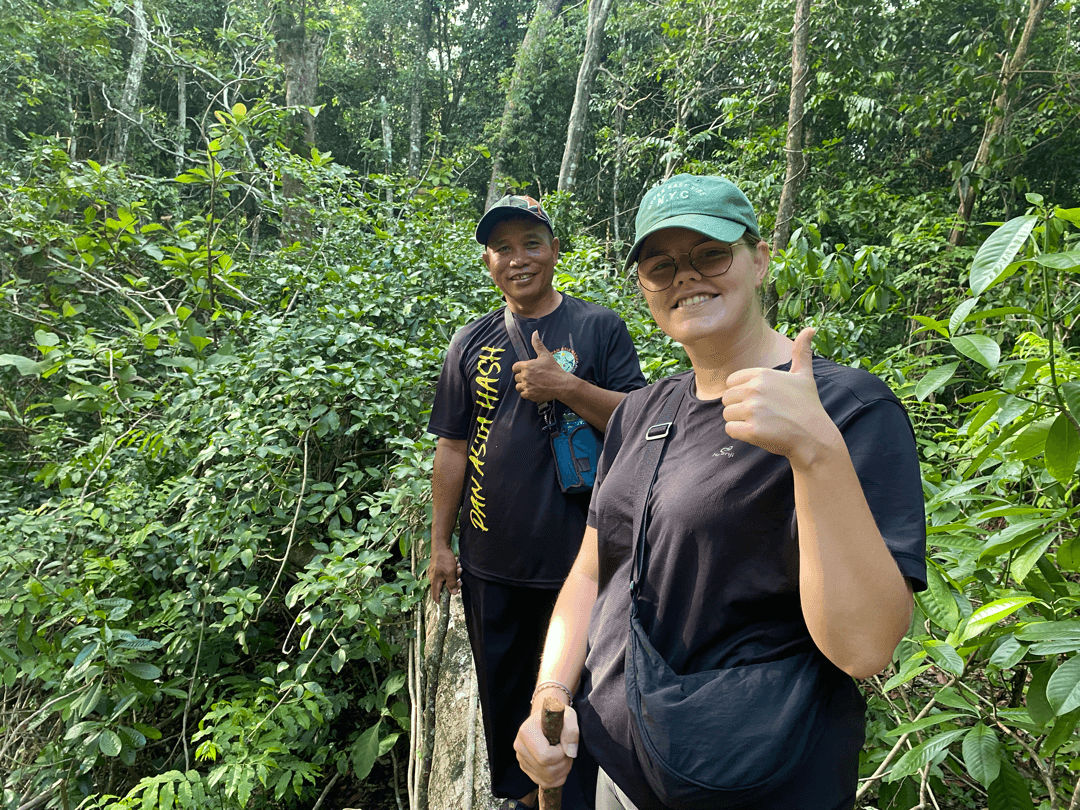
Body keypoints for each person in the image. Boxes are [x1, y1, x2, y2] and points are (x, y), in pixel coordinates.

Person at [513, 175, 927, 810]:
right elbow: (596, 568)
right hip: (625, 774)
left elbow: (866, 649)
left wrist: (814, 451)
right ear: (645, 288)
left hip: (758, 778)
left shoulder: (847, 408)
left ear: (758, 259)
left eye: (710, 253)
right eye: (661, 265)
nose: (685, 276)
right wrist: (552, 692)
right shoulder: (641, 410)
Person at [428, 194, 647, 810]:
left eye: (531, 243)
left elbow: (637, 420)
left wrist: (567, 386)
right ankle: (529, 802)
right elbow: (451, 448)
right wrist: (440, 545)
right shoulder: (470, 342)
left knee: (585, 705)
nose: (517, 259)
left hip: (584, 567)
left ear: (554, 250)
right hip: (492, 565)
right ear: (487, 260)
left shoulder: (598, 327)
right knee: (507, 706)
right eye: (503, 248)